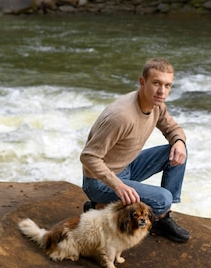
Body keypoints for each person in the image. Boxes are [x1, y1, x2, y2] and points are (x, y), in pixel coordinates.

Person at [80, 58, 190, 243]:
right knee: (163, 198)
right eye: (156, 83)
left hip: (127, 167)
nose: (162, 91)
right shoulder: (121, 116)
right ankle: (102, 202)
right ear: (142, 82)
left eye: (167, 85)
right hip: (100, 182)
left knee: (178, 149)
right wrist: (117, 185)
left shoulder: (156, 105)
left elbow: (173, 129)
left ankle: (162, 216)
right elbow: (88, 157)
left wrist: (179, 141)